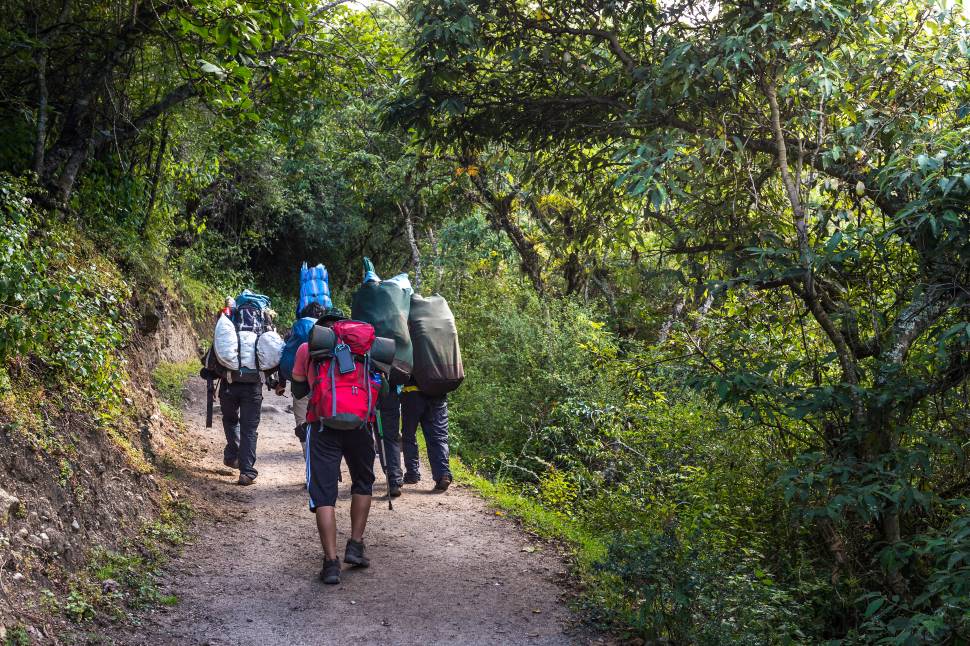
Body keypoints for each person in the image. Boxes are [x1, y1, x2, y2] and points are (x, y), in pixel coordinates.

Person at [290, 313, 377, 584]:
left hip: (322, 426)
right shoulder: (363, 346)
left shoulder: (309, 348)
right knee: (363, 482)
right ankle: (355, 545)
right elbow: (380, 384)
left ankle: (330, 563)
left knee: (324, 493)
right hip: (360, 426)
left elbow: (299, 389)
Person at [220, 305, 279, 487]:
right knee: (249, 429)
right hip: (253, 388)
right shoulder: (261, 338)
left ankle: (233, 455)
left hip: (229, 385)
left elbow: (212, 361)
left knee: (230, 420)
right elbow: (270, 363)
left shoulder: (229, 335)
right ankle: (247, 472)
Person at [400, 384, 453, 491]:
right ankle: (443, 474)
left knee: (409, 435)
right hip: (438, 391)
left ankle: (412, 474)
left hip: (412, 392)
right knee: (439, 436)